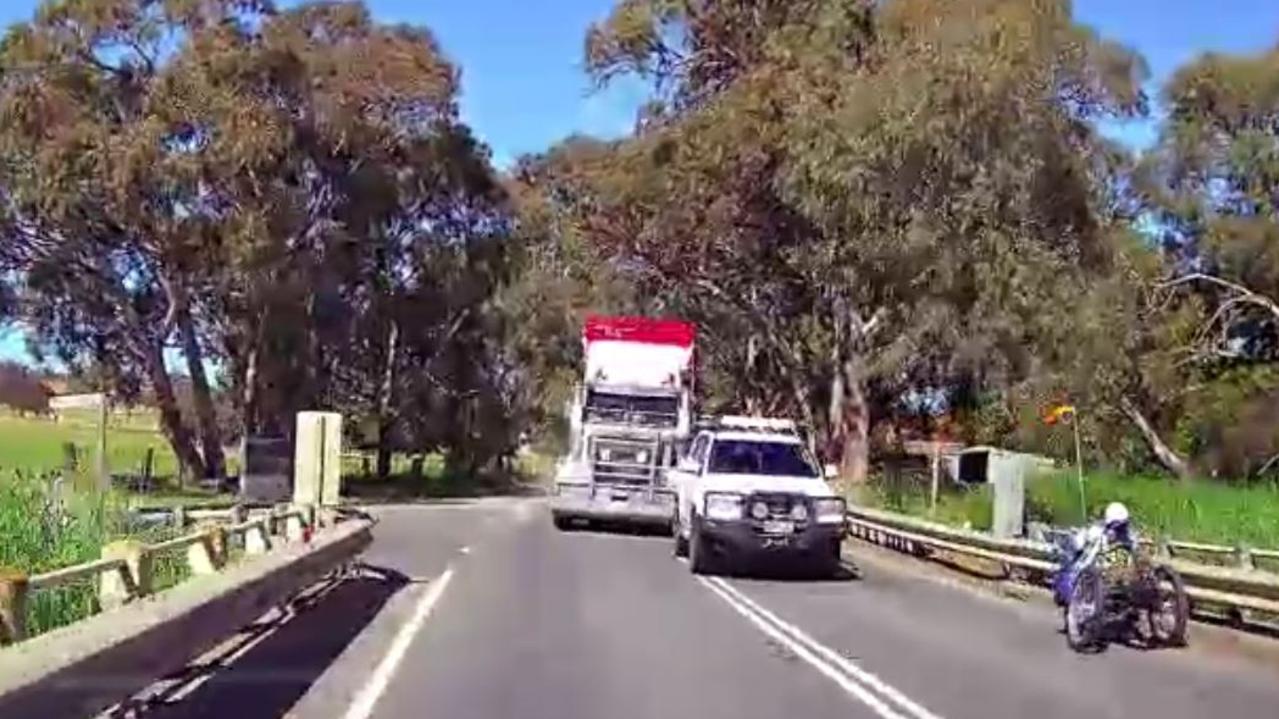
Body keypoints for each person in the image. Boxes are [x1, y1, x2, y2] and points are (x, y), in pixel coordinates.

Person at [1052, 502, 1135, 607]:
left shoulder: (1127, 540)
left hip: (1112, 577)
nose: (1118, 531)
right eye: (1116, 527)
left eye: (1122, 527)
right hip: (1089, 574)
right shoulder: (1096, 533)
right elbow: (1077, 547)